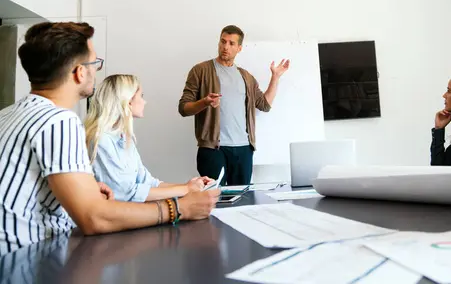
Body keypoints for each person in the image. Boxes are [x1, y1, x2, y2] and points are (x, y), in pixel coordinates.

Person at [0, 22, 220, 255]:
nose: (97, 70)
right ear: (80, 72)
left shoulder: (8, 113)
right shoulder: (59, 121)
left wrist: (88, 188)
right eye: (95, 63)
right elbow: (94, 218)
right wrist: (179, 208)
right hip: (25, 260)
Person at [178, 25, 290, 186]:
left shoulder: (246, 77)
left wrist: (275, 77)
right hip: (213, 150)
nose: (225, 47)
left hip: (244, 149)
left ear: (239, 48)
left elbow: (264, 105)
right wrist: (205, 102)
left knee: (242, 200)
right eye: (223, 41)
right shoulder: (200, 71)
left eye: (231, 43)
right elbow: (184, 108)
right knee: (213, 200)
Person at [85, 74, 214, 202]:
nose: (144, 101)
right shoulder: (101, 139)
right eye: (141, 96)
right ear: (128, 102)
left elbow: (148, 182)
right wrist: (186, 189)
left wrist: (191, 185)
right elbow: (125, 193)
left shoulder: (123, 138)